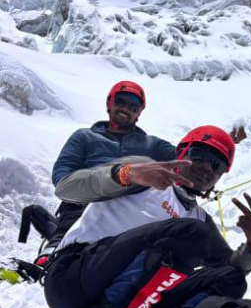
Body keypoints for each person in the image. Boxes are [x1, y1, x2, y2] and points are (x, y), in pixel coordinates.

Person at [43, 126, 251, 308]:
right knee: (191, 232)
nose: (206, 167)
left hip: (125, 303)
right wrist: (125, 174)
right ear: (181, 152)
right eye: (198, 155)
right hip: (73, 278)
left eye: (216, 164)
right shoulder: (145, 173)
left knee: (233, 279)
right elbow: (66, 190)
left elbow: (228, 267)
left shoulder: (200, 219)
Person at [47, 81, 175, 247]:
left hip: (131, 209)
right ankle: (49, 256)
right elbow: (63, 171)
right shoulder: (84, 136)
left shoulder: (152, 144)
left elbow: (184, 158)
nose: (125, 109)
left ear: (139, 113)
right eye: (120, 101)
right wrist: (80, 188)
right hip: (83, 204)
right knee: (63, 243)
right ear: (109, 103)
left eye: (133, 106)